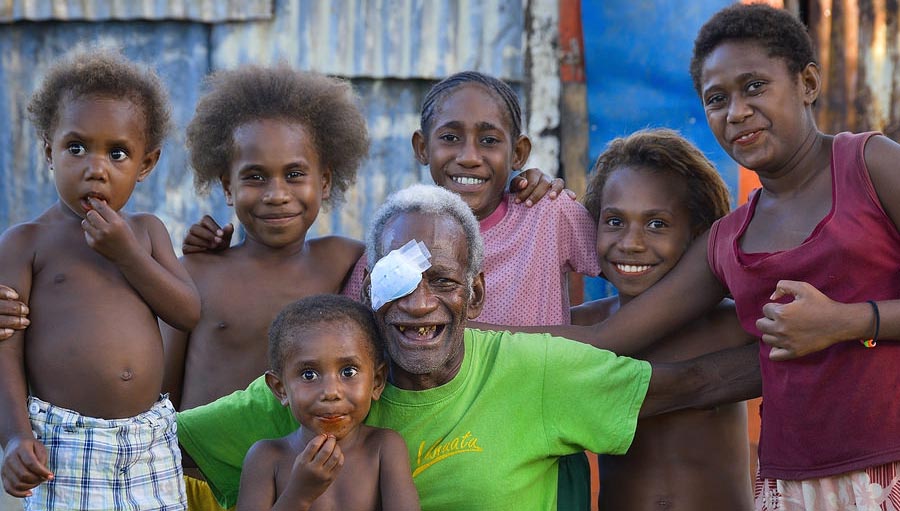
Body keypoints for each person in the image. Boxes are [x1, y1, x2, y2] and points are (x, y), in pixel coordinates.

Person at [173, 184, 761, 511]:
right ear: (371, 286)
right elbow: (166, 448)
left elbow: (694, 383)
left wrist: (846, 337)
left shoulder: (532, 370)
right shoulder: (318, 385)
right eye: (400, 281)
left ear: (476, 294)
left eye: (444, 283)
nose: (420, 304)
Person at [549, 5, 899, 510]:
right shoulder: (728, 240)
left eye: (754, 86)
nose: (735, 112)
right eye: (717, 99)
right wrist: (462, 332)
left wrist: (847, 322)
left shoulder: (870, 165)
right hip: (789, 486)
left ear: (807, 83)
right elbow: (606, 339)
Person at [158, 65, 370, 510]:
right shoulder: (195, 274)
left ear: (325, 181)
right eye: (255, 177)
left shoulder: (346, 260)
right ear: (226, 187)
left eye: (295, 174)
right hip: (196, 486)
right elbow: (159, 398)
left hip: (311, 483)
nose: (276, 194)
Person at [0, 49, 199, 509]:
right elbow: (5, 351)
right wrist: (13, 438)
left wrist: (129, 255)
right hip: (66, 446)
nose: (96, 167)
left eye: (117, 153)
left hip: (149, 442)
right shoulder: (25, 243)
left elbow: (187, 312)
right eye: (76, 147)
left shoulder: (147, 233)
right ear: (49, 150)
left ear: (145, 165)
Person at [571, 128, 755, 510]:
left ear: (697, 234)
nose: (631, 243)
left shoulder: (734, 324)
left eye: (657, 224)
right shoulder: (581, 328)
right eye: (615, 221)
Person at [235, 294, 419, 511]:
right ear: (280, 388)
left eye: (348, 371)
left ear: (376, 382)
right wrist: (299, 495)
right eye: (309, 375)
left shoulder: (383, 449)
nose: (331, 392)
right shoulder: (266, 458)